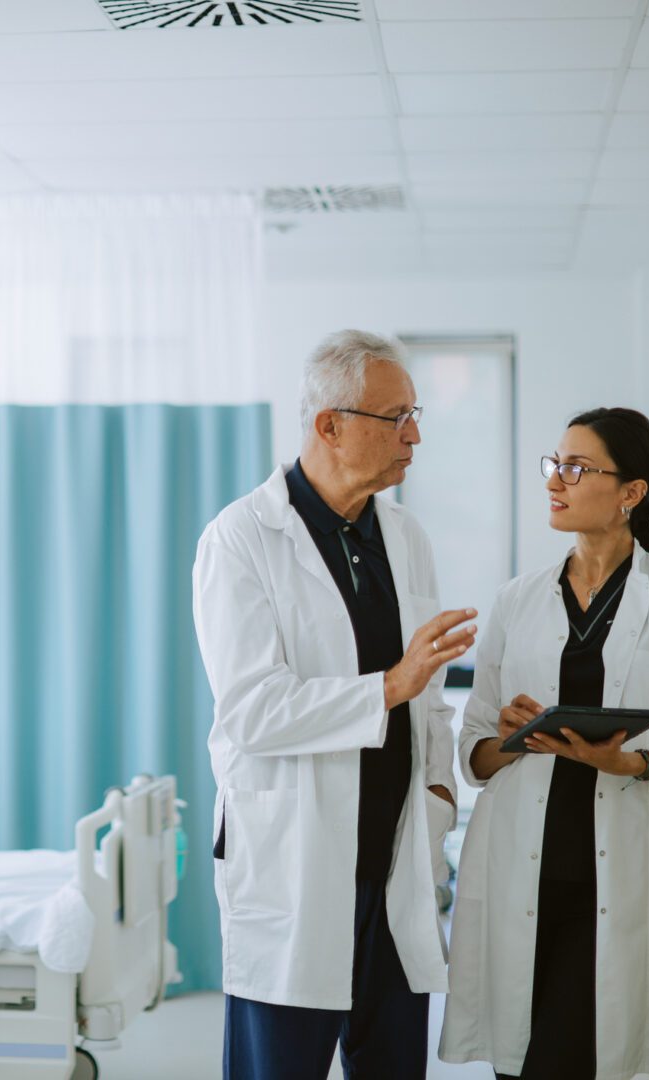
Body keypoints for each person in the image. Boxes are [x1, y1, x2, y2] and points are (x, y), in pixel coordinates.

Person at [193, 329, 476, 1080]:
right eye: (396, 418)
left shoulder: (405, 536)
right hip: (296, 872)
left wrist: (439, 796)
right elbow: (251, 711)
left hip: (394, 870)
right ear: (330, 424)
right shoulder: (241, 539)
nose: (414, 435)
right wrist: (387, 687)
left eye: (415, 415)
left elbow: (429, 697)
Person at [438, 407, 649, 1080]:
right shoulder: (516, 599)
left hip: (617, 870)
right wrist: (513, 738)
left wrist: (633, 762)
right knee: (518, 1062)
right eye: (555, 464)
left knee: (576, 1057)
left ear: (631, 491)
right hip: (520, 864)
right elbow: (474, 756)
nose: (555, 480)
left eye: (576, 468)